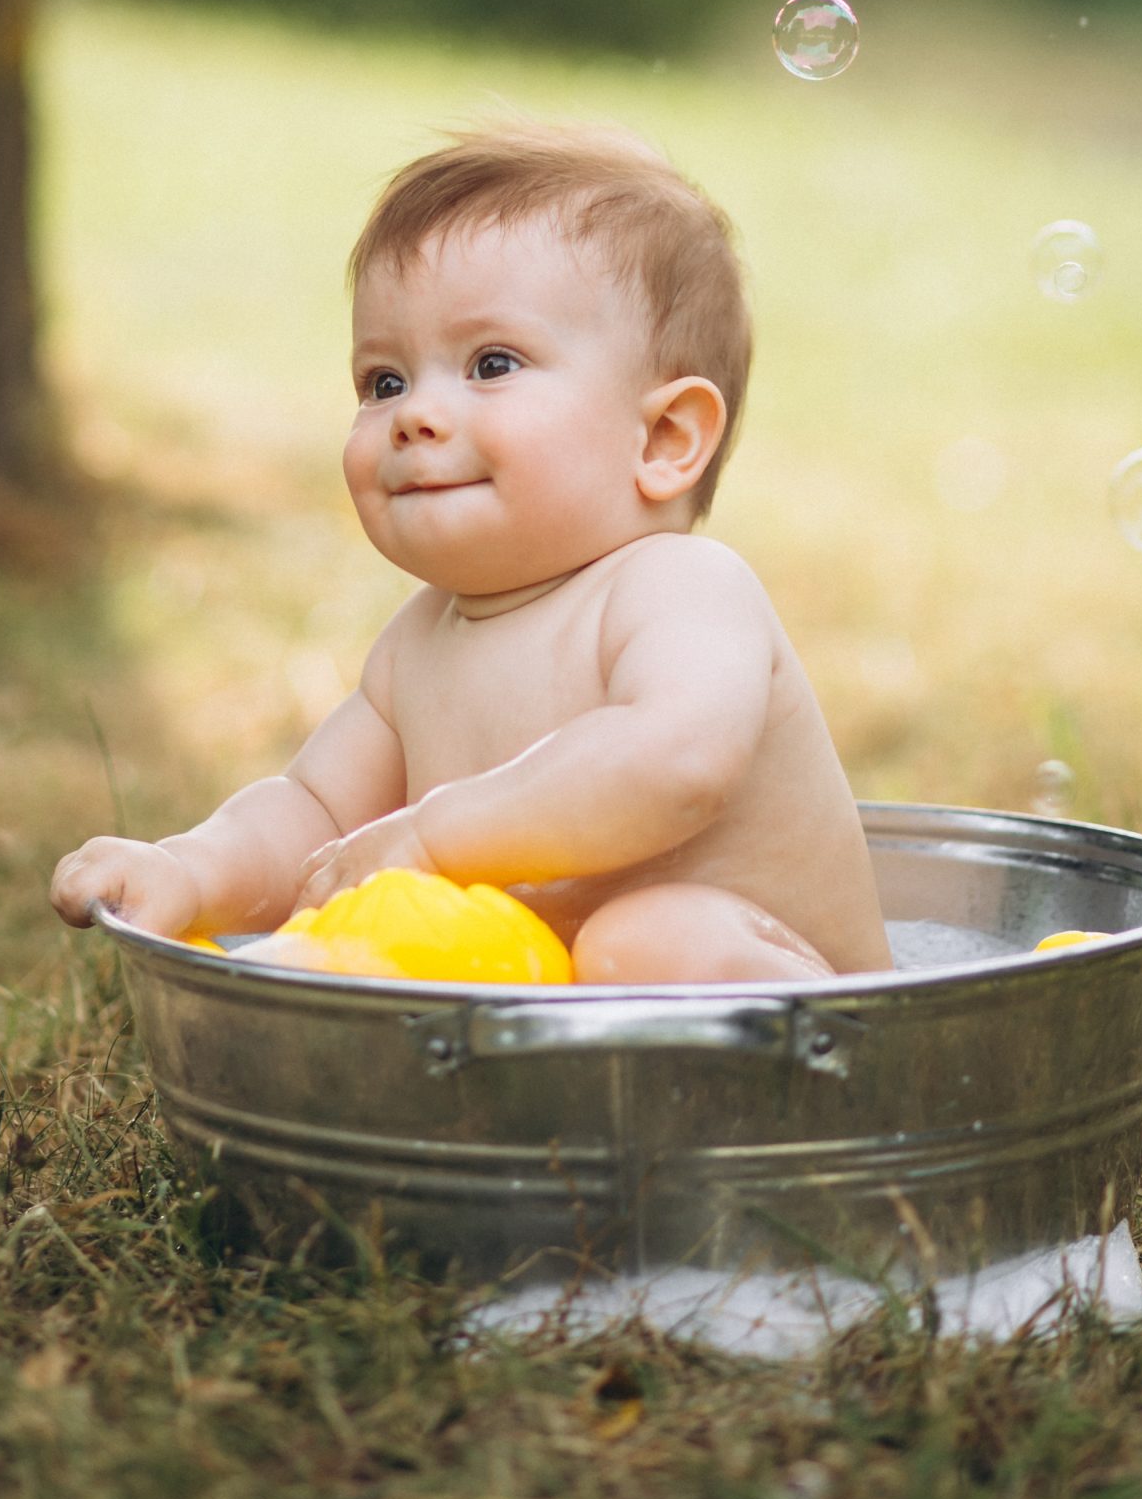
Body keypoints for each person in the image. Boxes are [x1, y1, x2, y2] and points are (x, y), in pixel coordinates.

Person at [50, 125, 891, 983]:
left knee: (647, 939)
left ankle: (868, 1083)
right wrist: (190, 870)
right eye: (385, 381)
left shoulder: (681, 589)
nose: (415, 414)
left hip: (806, 1015)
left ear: (666, 438)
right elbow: (311, 818)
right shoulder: (418, 647)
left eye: (492, 364)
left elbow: (677, 762)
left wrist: (432, 834)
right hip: (587, 1039)